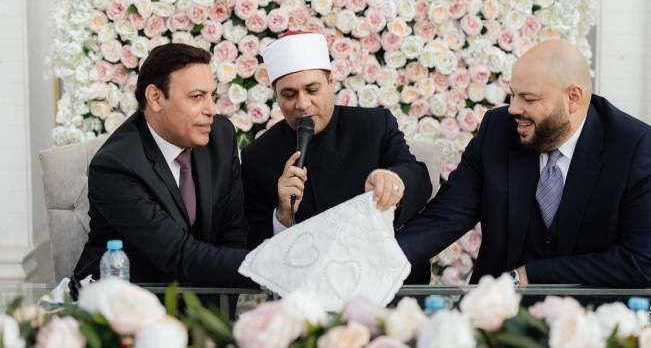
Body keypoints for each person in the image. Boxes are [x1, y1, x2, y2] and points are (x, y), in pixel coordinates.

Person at [397, 39, 651, 286]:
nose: (513, 109)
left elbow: (641, 262)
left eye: (528, 99)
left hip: (613, 310)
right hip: (507, 314)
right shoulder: (497, 130)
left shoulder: (638, 148)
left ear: (573, 98)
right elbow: (446, 217)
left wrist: (529, 276)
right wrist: (378, 261)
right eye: (513, 95)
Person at [242, 31, 433, 283]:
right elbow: (250, 241)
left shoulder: (375, 125)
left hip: (384, 277)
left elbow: (417, 176)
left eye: (312, 89)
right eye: (289, 95)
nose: (302, 104)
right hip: (309, 287)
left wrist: (392, 180)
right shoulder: (257, 155)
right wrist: (282, 216)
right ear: (275, 95)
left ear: (331, 82)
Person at [73, 44, 252, 287]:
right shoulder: (115, 165)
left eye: (213, 96)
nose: (211, 110)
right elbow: (177, 254)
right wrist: (268, 267)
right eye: (197, 97)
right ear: (156, 98)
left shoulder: (220, 135)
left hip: (204, 298)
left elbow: (234, 234)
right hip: (126, 300)